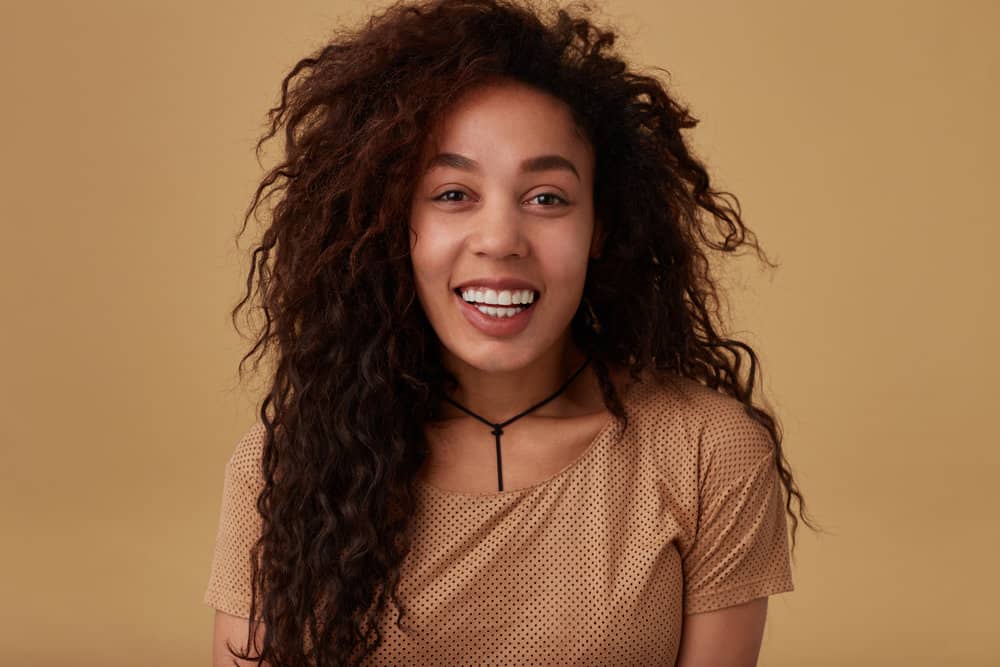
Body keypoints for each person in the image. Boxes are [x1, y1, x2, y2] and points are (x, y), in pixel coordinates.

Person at [203, 0, 818, 664]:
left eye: (547, 198)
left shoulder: (706, 453)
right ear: (390, 224)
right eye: (452, 194)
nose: (499, 240)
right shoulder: (288, 466)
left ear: (601, 228)